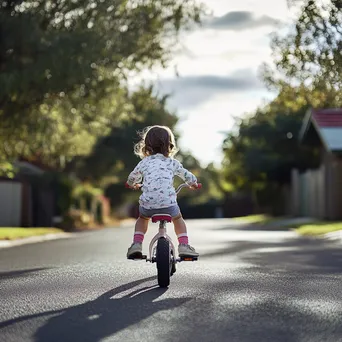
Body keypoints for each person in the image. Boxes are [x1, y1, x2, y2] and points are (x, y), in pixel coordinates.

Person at [125, 125, 200, 259]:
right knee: (178, 218)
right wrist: (193, 183)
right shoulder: (172, 162)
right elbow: (187, 176)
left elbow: (132, 177)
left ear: (147, 145)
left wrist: (132, 184)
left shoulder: (144, 163)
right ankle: (183, 245)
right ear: (169, 145)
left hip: (148, 206)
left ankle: (136, 244)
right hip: (169, 205)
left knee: (142, 218)